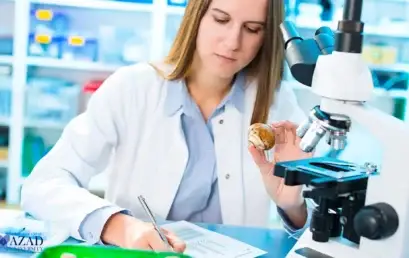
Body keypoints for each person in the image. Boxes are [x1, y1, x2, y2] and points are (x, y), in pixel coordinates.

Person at [20, 0, 314, 254]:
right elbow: (43, 184)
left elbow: (317, 224)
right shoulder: (132, 88)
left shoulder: (277, 104)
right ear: (196, 16)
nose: (233, 41)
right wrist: (118, 225)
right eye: (221, 19)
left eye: (252, 28)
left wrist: (292, 207)